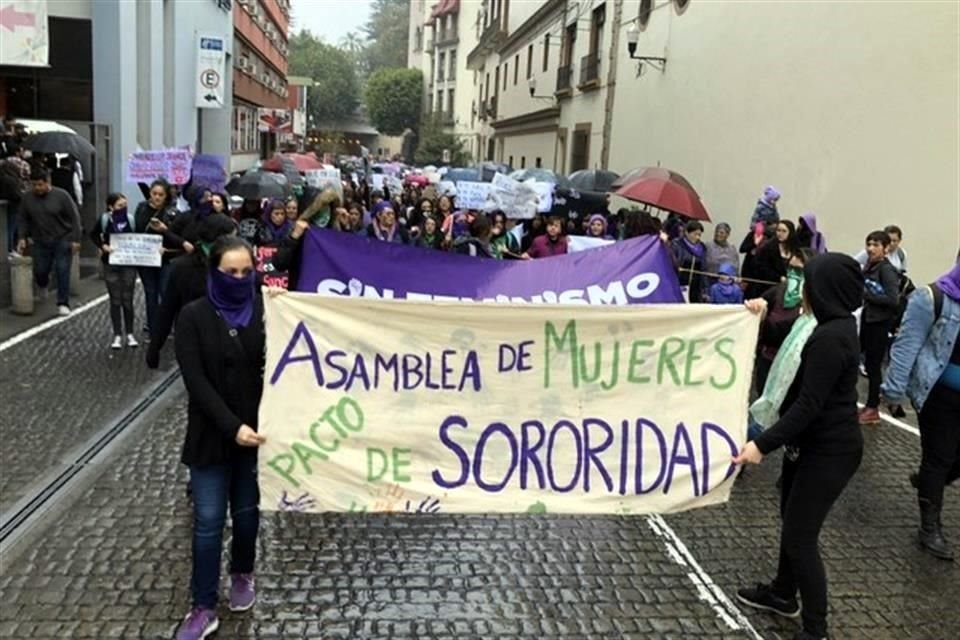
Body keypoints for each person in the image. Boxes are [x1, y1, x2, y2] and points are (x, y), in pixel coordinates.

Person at [734, 253, 865, 640]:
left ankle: (816, 629)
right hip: (806, 447)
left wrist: (761, 444)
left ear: (824, 289)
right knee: (793, 523)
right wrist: (757, 315)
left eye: (808, 282)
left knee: (800, 537)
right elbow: (781, 335)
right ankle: (782, 593)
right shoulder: (822, 324)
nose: (802, 289)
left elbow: (809, 405)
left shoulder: (830, 337)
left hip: (830, 452)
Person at [173, 236, 266, 640]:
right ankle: (203, 605)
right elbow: (196, 383)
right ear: (215, 272)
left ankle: (242, 573)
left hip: (256, 437)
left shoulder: (265, 311)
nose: (239, 279)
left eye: (247, 272)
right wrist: (233, 427)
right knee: (209, 523)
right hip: (212, 438)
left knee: (247, 516)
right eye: (231, 272)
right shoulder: (192, 317)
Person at [882, 257, 960, 561]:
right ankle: (930, 527)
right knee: (938, 457)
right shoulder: (932, 298)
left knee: (947, 462)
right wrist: (894, 391)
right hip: (938, 395)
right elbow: (907, 345)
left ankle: (931, 481)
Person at [147, 214, 238, 370]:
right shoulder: (183, 268)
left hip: (228, 341)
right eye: (232, 238)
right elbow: (167, 309)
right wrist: (155, 347)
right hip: (194, 340)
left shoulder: (238, 265)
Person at [16, 168, 82, 316]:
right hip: (40, 240)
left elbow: (74, 218)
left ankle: (63, 303)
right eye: (34, 185)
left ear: (48, 182)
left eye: (40, 185)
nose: (37, 188)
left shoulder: (62, 196)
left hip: (62, 238)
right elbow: (23, 219)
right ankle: (43, 283)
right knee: (40, 270)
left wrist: (76, 239)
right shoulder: (27, 198)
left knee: (62, 270)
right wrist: (22, 237)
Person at [859, 230, 900, 425]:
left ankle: (872, 407)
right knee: (861, 362)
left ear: (885, 248)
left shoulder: (886, 269)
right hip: (868, 319)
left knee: (874, 366)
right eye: (869, 244)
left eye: (875, 245)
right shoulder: (870, 266)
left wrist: (868, 296)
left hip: (879, 323)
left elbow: (893, 300)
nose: (870, 248)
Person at [134, 179, 184, 336]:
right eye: (154, 194)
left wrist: (165, 229)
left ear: (166, 196)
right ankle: (153, 327)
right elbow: (137, 230)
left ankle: (170, 324)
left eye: (160, 195)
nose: (156, 197)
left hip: (166, 258)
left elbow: (179, 236)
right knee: (150, 293)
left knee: (165, 292)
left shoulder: (172, 212)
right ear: (149, 193)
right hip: (146, 258)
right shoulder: (141, 208)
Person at [90, 193, 139, 349]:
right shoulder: (105, 220)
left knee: (128, 299)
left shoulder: (130, 219)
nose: (123, 208)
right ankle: (117, 334)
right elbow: (93, 235)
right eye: (119, 205)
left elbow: (139, 237)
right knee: (115, 300)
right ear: (111, 207)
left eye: (125, 205)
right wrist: (103, 246)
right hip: (110, 263)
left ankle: (130, 333)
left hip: (128, 263)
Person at [753, 220, 799, 287]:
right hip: (770, 285)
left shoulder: (796, 248)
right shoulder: (768, 247)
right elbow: (763, 268)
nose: (780, 233)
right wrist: (779, 278)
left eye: (784, 231)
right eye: (778, 230)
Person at [671, 220, 708, 303]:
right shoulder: (677, 244)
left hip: (695, 286)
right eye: (695, 234)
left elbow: (704, 269)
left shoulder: (702, 248)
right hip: (680, 283)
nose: (697, 237)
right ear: (687, 232)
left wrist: (705, 289)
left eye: (699, 235)